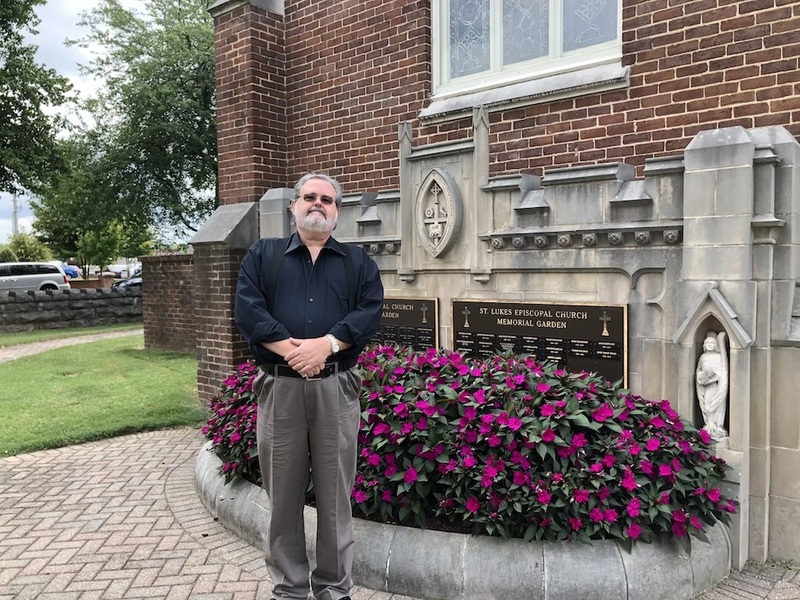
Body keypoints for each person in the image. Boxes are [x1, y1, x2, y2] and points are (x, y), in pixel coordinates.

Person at [235, 172, 384, 600]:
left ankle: (335, 589)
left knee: (336, 496)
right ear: (294, 206)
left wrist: (328, 345)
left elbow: (369, 312)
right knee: (282, 497)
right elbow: (249, 311)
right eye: (310, 197)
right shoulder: (263, 257)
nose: (318, 204)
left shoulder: (358, 263)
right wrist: (295, 352)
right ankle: (290, 589)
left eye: (328, 200)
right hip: (280, 389)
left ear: (337, 213)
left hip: (336, 389)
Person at [695, 330, 729, 439]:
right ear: (704, 345)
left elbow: (720, 374)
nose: (709, 345)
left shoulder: (718, 357)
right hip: (705, 387)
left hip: (714, 387)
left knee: (712, 407)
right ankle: (708, 426)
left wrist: (710, 380)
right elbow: (698, 370)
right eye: (707, 343)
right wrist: (700, 378)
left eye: (712, 343)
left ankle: (715, 427)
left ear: (716, 345)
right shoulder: (703, 357)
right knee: (706, 406)